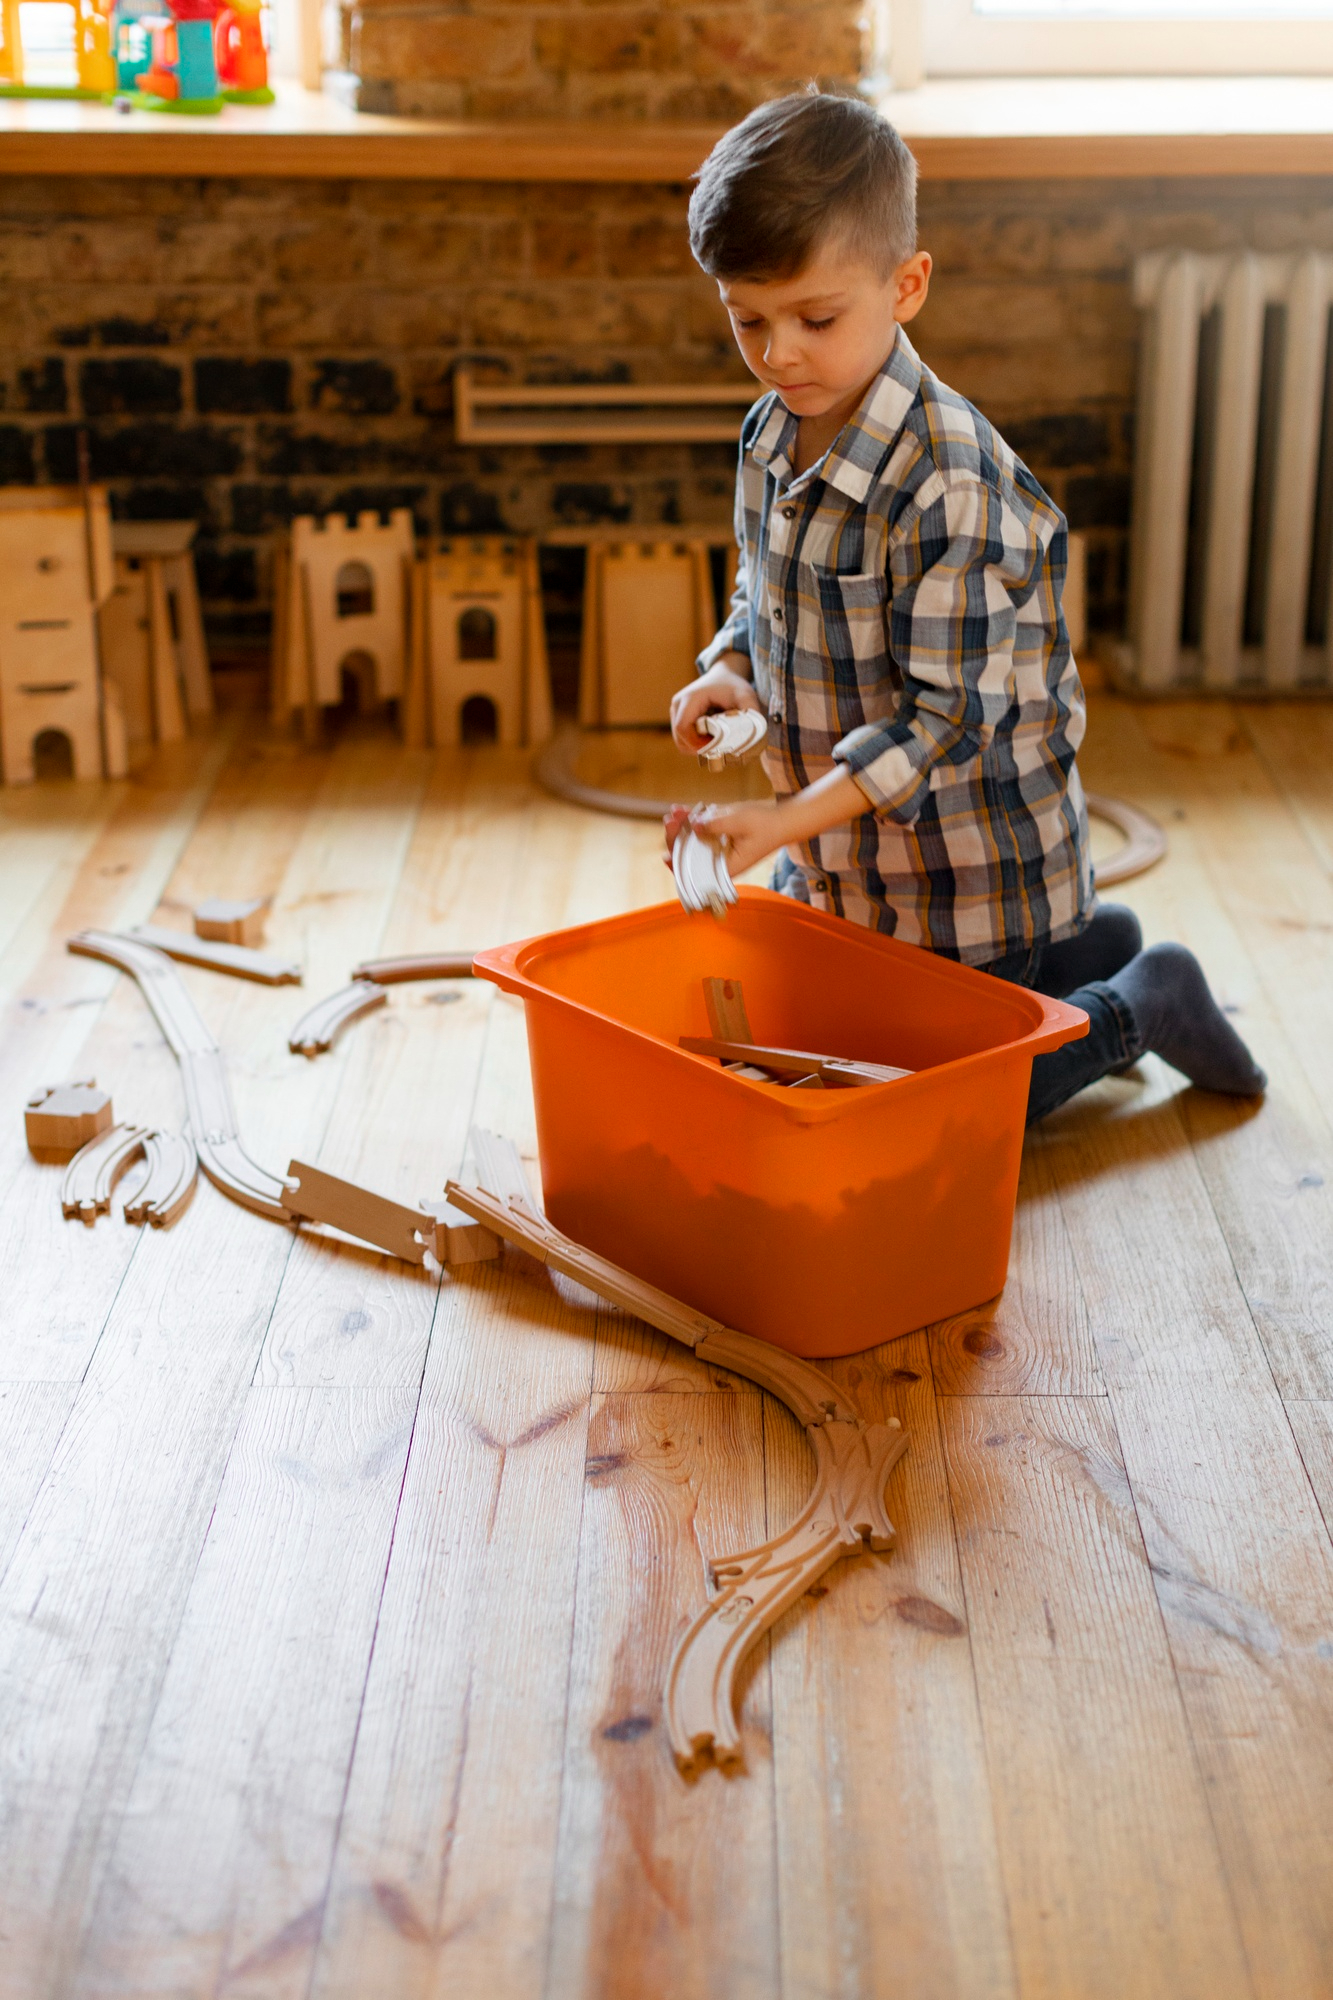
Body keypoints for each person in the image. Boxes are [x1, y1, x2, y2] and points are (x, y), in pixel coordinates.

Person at [666, 89, 1265, 1123]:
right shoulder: (770, 433)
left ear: (906, 285)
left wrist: (779, 819)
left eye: (815, 318)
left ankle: (1140, 999)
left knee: (930, 1112)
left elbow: (945, 721)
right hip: (852, 870)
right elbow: (758, 593)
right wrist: (728, 667)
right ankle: (1089, 953)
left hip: (966, 871)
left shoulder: (945, 480)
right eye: (746, 320)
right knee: (822, 1047)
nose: (778, 353)